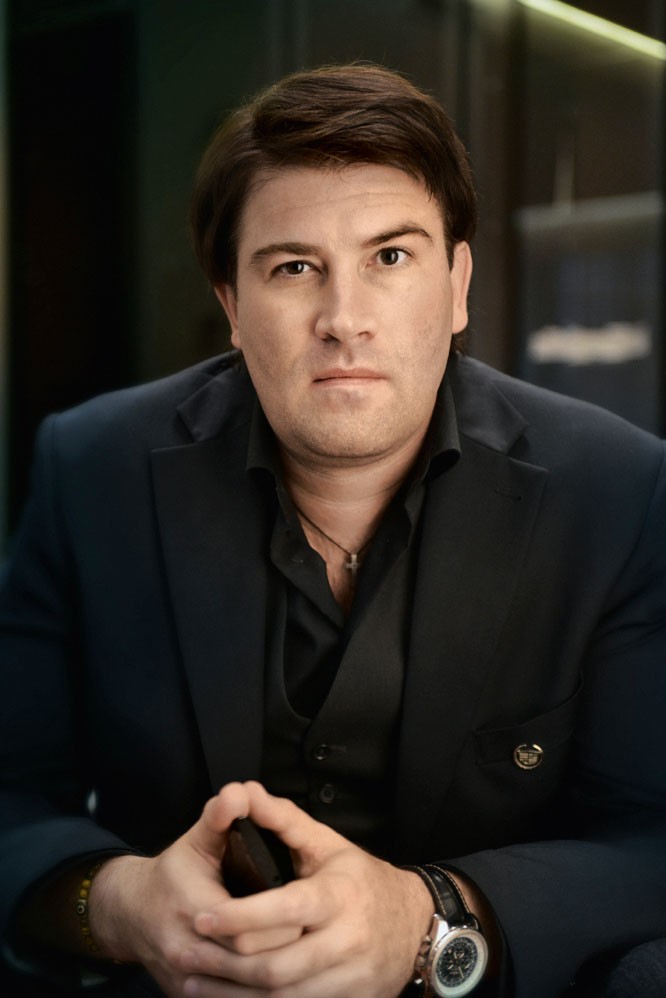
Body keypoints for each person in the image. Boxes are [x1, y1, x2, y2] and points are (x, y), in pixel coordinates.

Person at [1, 62, 665, 998]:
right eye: (294, 268)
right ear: (231, 306)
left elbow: (650, 839)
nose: (344, 321)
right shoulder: (90, 469)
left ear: (458, 284)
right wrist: (118, 904)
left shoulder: (617, 490)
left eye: (389, 258)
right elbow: (11, 791)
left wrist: (428, 918)